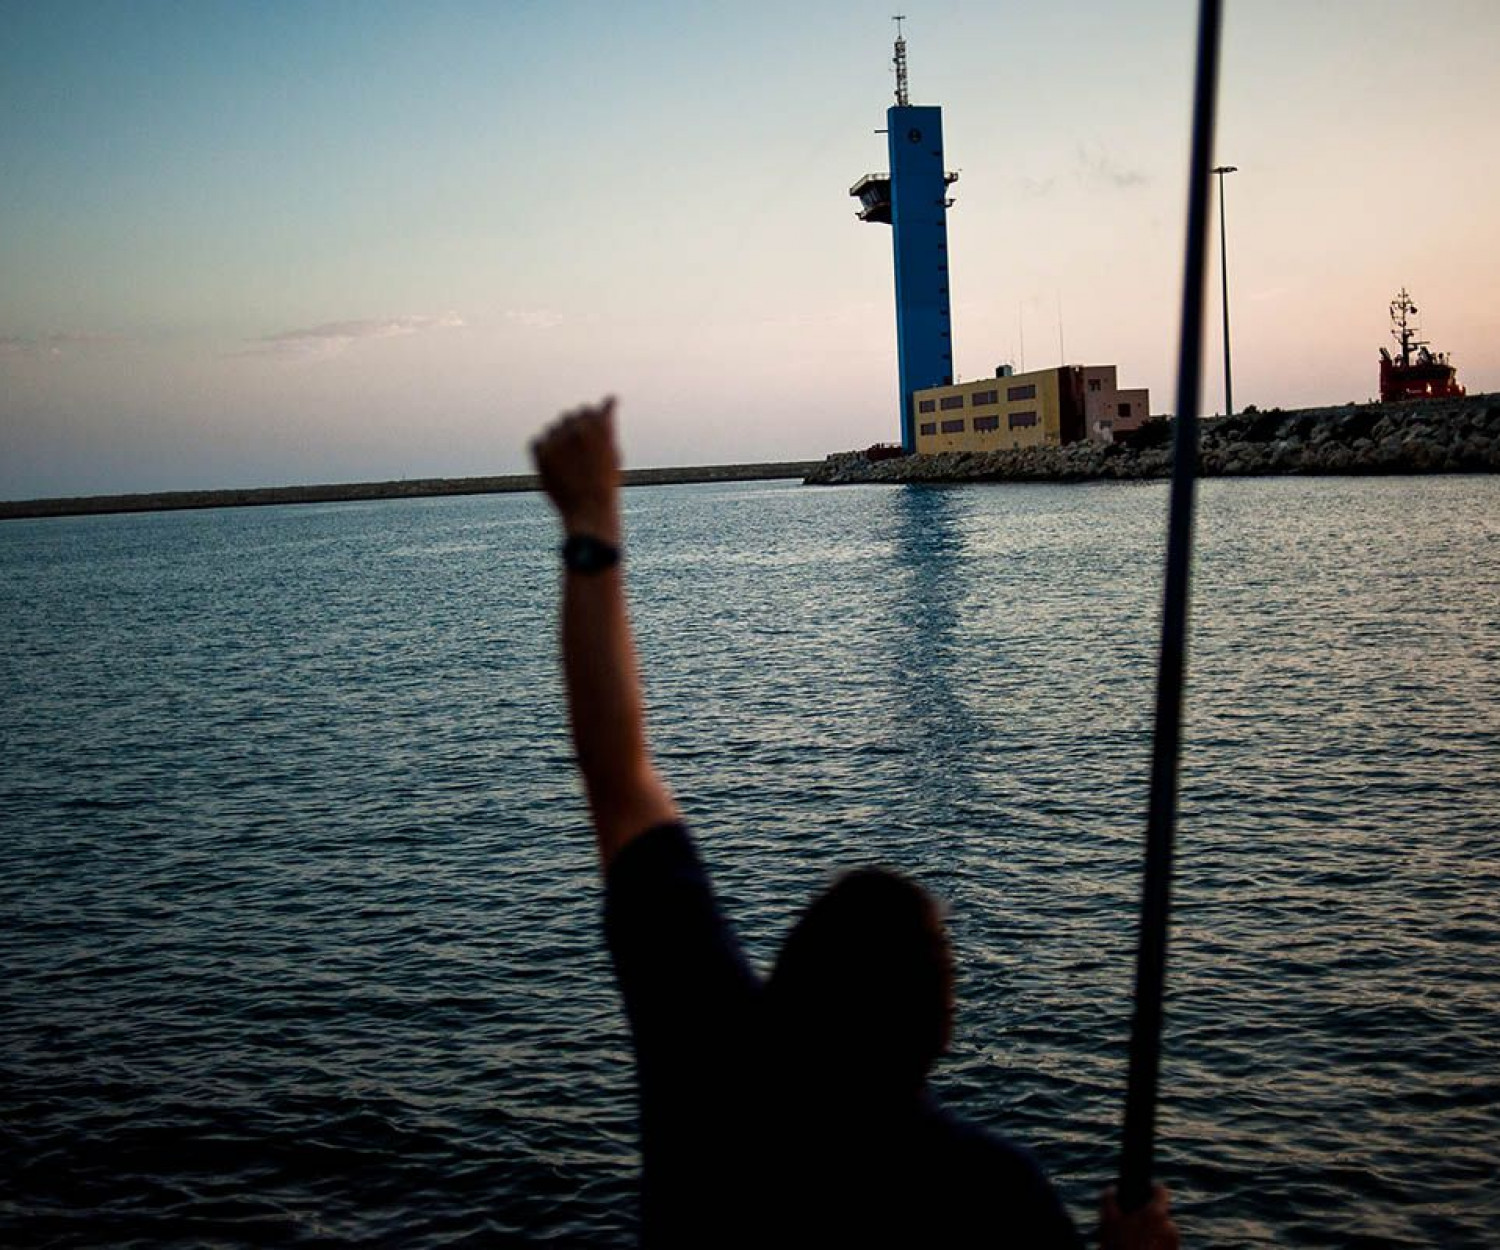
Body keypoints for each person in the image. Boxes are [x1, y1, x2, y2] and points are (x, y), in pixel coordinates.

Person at [532, 398, 1181, 1249]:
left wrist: (591, 521)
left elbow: (616, 775)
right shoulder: (989, 1195)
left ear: (796, 968)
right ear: (937, 1028)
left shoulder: (708, 1063)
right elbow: (617, 780)